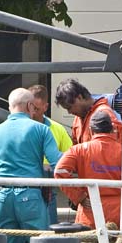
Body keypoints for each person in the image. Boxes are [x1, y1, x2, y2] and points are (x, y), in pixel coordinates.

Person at [0, 88, 62, 243]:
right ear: (29, 106)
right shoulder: (42, 130)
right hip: (31, 196)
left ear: (10, 107)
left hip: (2, 198)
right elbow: (58, 164)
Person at [28, 84, 73, 225]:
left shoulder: (57, 129)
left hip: (48, 189)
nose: (32, 112)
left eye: (36, 108)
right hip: (25, 187)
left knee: (50, 228)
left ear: (45, 107)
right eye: (30, 108)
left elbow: (70, 158)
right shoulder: (20, 128)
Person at [55, 78, 122, 144]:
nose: (69, 112)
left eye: (69, 107)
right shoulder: (77, 118)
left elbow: (111, 148)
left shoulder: (104, 113)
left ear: (79, 97)